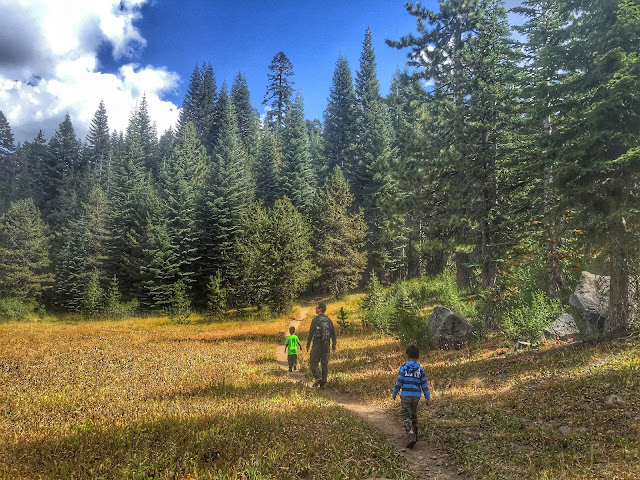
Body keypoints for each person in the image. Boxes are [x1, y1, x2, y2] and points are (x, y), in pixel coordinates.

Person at [392, 345, 430, 449]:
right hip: (416, 396)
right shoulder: (420, 369)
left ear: (406, 356)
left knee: (406, 415)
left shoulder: (404, 368)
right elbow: (424, 384)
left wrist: (395, 393)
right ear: (418, 356)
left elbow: (399, 382)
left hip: (405, 396)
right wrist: (427, 397)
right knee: (413, 413)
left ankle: (410, 433)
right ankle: (416, 434)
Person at [306, 302, 336, 388]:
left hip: (317, 343)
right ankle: (323, 384)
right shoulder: (329, 320)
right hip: (326, 344)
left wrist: (308, 344)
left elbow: (311, 333)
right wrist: (334, 345)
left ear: (320, 309)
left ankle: (319, 377)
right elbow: (333, 333)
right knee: (324, 364)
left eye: (316, 307)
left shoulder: (315, 320)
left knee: (313, 362)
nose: (315, 309)